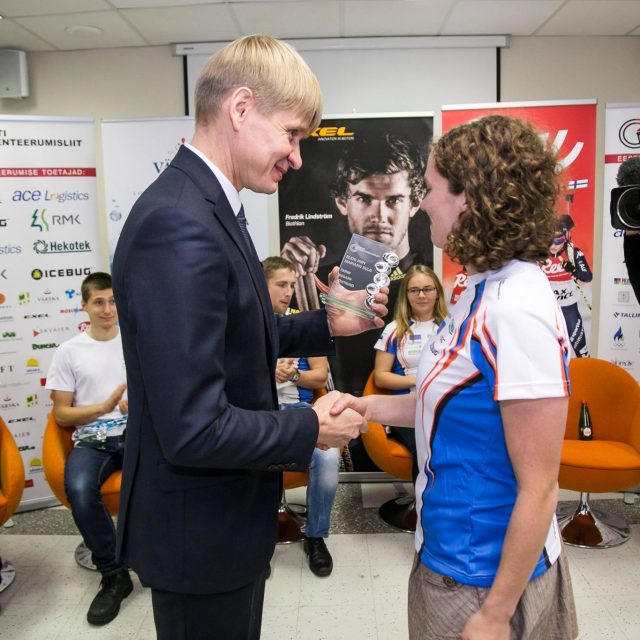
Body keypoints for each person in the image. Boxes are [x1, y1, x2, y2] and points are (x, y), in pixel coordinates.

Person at [111, 35, 387, 640]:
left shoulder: (208, 205)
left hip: (225, 520)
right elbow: (194, 427)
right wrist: (313, 426)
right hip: (199, 534)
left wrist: (327, 323)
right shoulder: (178, 224)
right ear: (240, 108)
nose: (296, 157)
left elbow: (232, 329)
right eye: (291, 134)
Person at [332, 115, 578, 640]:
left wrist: (494, 615)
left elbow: (540, 487)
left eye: (432, 188)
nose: (422, 203)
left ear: (472, 198)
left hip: (484, 576)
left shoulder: (517, 308)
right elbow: (441, 404)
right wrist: (366, 407)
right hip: (443, 548)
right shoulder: (476, 290)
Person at [281, 133, 431, 398]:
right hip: (339, 417)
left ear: (415, 202)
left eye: (394, 200)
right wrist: (298, 280)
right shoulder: (316, 278)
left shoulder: (429, 282)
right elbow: (280, 336)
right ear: (342, 202)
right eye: (364, 199)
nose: (379, 216)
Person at [45, 272, 132, 626]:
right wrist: (103, 406)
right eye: (99, 302)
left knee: (172, 476)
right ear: (84, 306)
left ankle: (162, 558)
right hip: (92, 439)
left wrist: (137, 403)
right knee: (80, 489)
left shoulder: (135, 342)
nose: (107, 309)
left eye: (112, 301)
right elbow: (62, 413)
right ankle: (114, 575)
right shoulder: (69, 351)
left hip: (135, 434)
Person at [263, 256, 339, 577]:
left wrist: (292, 377)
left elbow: (320, 376)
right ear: (260, 285)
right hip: (258, 414)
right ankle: (256, 541)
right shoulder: (246, 326)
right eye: (281, 284)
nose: (289, 292)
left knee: (329, 457)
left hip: (298, 412)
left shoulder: (302, 321)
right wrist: (267, 372)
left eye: (292, 284)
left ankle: (316, 537)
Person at [373, 264, 447, 483]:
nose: (421, 295)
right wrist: (420, 380)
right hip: (407, 409)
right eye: (414, 290)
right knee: (424, 448)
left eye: (427, 289)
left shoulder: (451, 327)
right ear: (406, 294)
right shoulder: (394, 329)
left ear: (437, 293)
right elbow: (381, 376)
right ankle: (422, 506)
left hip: (444, 405)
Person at [539, 213, 592, 357]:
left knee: (582, 352)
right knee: (548, 353)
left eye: (559, 241)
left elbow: (587, 277)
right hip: (547, 310)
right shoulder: (538, 255)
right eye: (550, 241)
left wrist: (573, 270)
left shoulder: (572, 253)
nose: (554, 246)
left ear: (566, 237)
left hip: (569, 309)